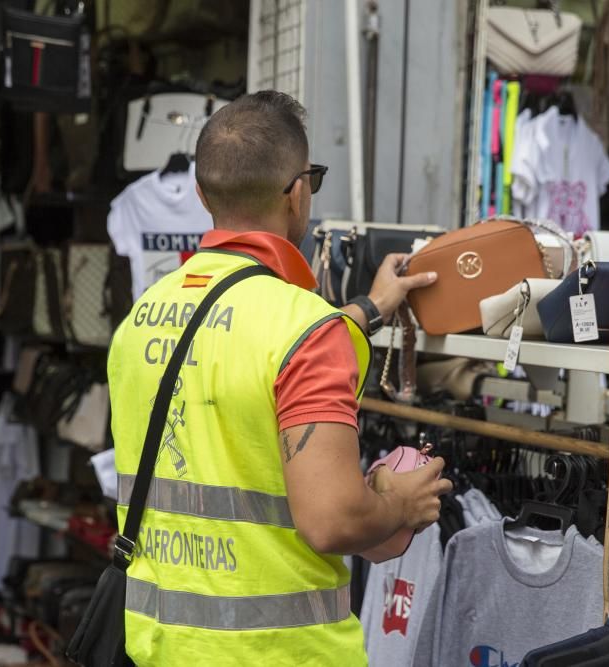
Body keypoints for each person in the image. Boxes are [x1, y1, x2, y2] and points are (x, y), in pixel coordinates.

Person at [107, 90, 453, 666]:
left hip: (160, 648)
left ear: (201, 193)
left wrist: (370, 306)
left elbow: (243, 349)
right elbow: (333, 518)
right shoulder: (303, 331)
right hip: (282, 654)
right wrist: (402, 506)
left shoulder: (142, 318)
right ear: (298, 193)